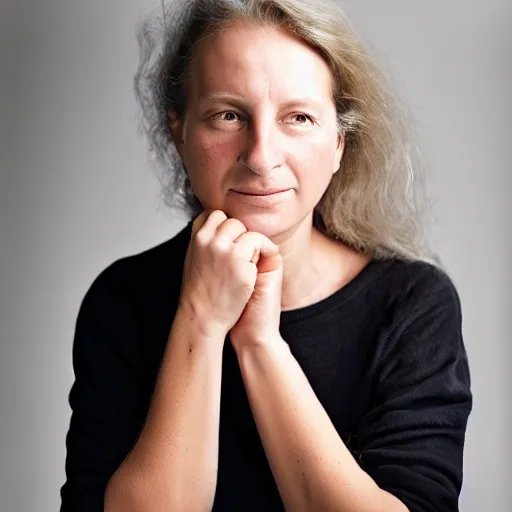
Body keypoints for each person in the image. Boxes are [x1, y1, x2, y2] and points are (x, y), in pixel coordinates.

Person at [60, 0, 472, 510]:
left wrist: (259, 342)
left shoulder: (411, 304)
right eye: (228, 115)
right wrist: (201, 320)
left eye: (298, 117)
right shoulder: (122, 300)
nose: (260, 157)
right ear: (179, 133)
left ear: (339, 143)